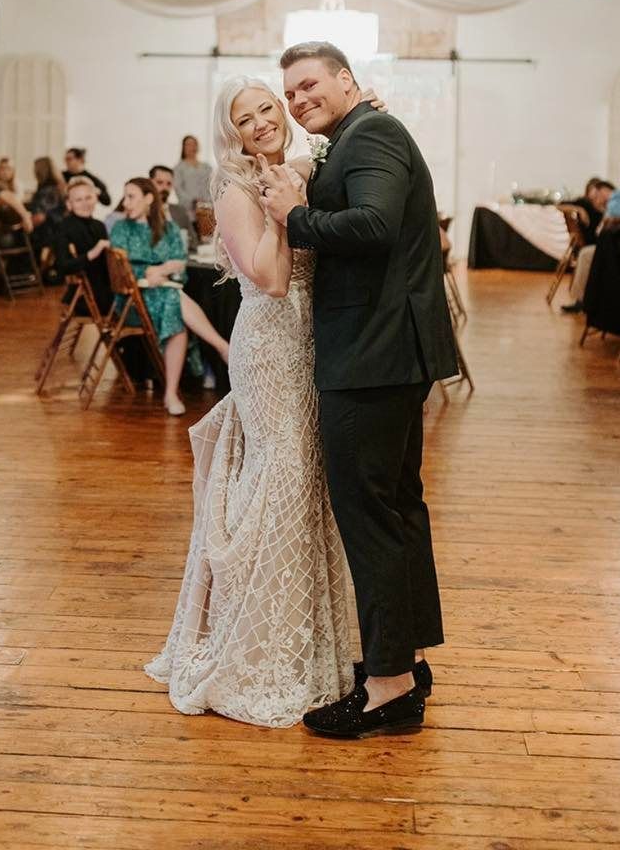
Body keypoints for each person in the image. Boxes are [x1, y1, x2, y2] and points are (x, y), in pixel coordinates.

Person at [257, 41, 455, 739]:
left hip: (372, 352)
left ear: (348, 81)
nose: (299, 98)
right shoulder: (361, 132)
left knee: (370, 513)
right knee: (397, 509)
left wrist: (292, 217)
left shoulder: (371, 132)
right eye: (291, 92)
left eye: (310, 84)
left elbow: (372, 227)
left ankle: (387, 687)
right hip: (386, 348)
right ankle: (404, 660)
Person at [145, 80, 354, 725]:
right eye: (246, 117)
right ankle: (259, 646)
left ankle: (312, 637)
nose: (263, 121)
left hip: (311, 344)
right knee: (282, 477)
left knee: (308, 481)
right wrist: (282, 208)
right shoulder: (236, 190)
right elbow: (267, 277)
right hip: (268, 348)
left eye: (268, 107)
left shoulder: (296, 167)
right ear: (230, 130)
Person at [110, 178, 229, 416]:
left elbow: (180, 266)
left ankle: (171, 393)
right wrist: (146, 273)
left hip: (166, 294)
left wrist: (162, 272)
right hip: (133, 302)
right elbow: (119, 271)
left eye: (131, 196)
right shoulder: (121, 229)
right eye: (125, 197)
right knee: (173, 299)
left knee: (172, 303)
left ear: (149, 199)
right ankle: (221, 347)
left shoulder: (170, 229)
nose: (126, 203)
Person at [52, 176, 111, 313]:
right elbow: (62, 266)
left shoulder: (99, 226)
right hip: (85, 297)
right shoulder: (63, 227)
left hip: (104, 291)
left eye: (88, 197)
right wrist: (92, 254)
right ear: (69, 204)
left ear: (95, 198)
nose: (85, 203)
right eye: (79, 200)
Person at [560, 179, 615, 314]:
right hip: (588, 245)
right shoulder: (585, 203)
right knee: (587, 254)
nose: (597, 195)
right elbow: (559, 205)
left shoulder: (609, 208)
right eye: (595, 191)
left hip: (599, 244)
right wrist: (579, 209)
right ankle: (582, 300)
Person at [28, 156, 67, 269]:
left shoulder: (46, 190)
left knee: (17, 239)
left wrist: (25, 224)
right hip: (57, 230)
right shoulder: (58, 187)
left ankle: (30, 272)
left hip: (47, 233)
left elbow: (40, 217)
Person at [149, 164, 196, 250]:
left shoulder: (180, 211)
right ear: (149, 183)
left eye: (169, 184)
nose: (165, 187)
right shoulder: (142, 211)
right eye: (159, 182)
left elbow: (193, 242)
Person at [174, 136, 212, 221]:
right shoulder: (179, 168)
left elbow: (212, 186)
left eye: (194, 144)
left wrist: (207, 202)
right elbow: (178, 188)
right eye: (188, 144)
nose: (192, 147)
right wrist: (193, 201)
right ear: (183, 148)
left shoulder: (207, 167)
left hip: (207, 211)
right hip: (188, 211)